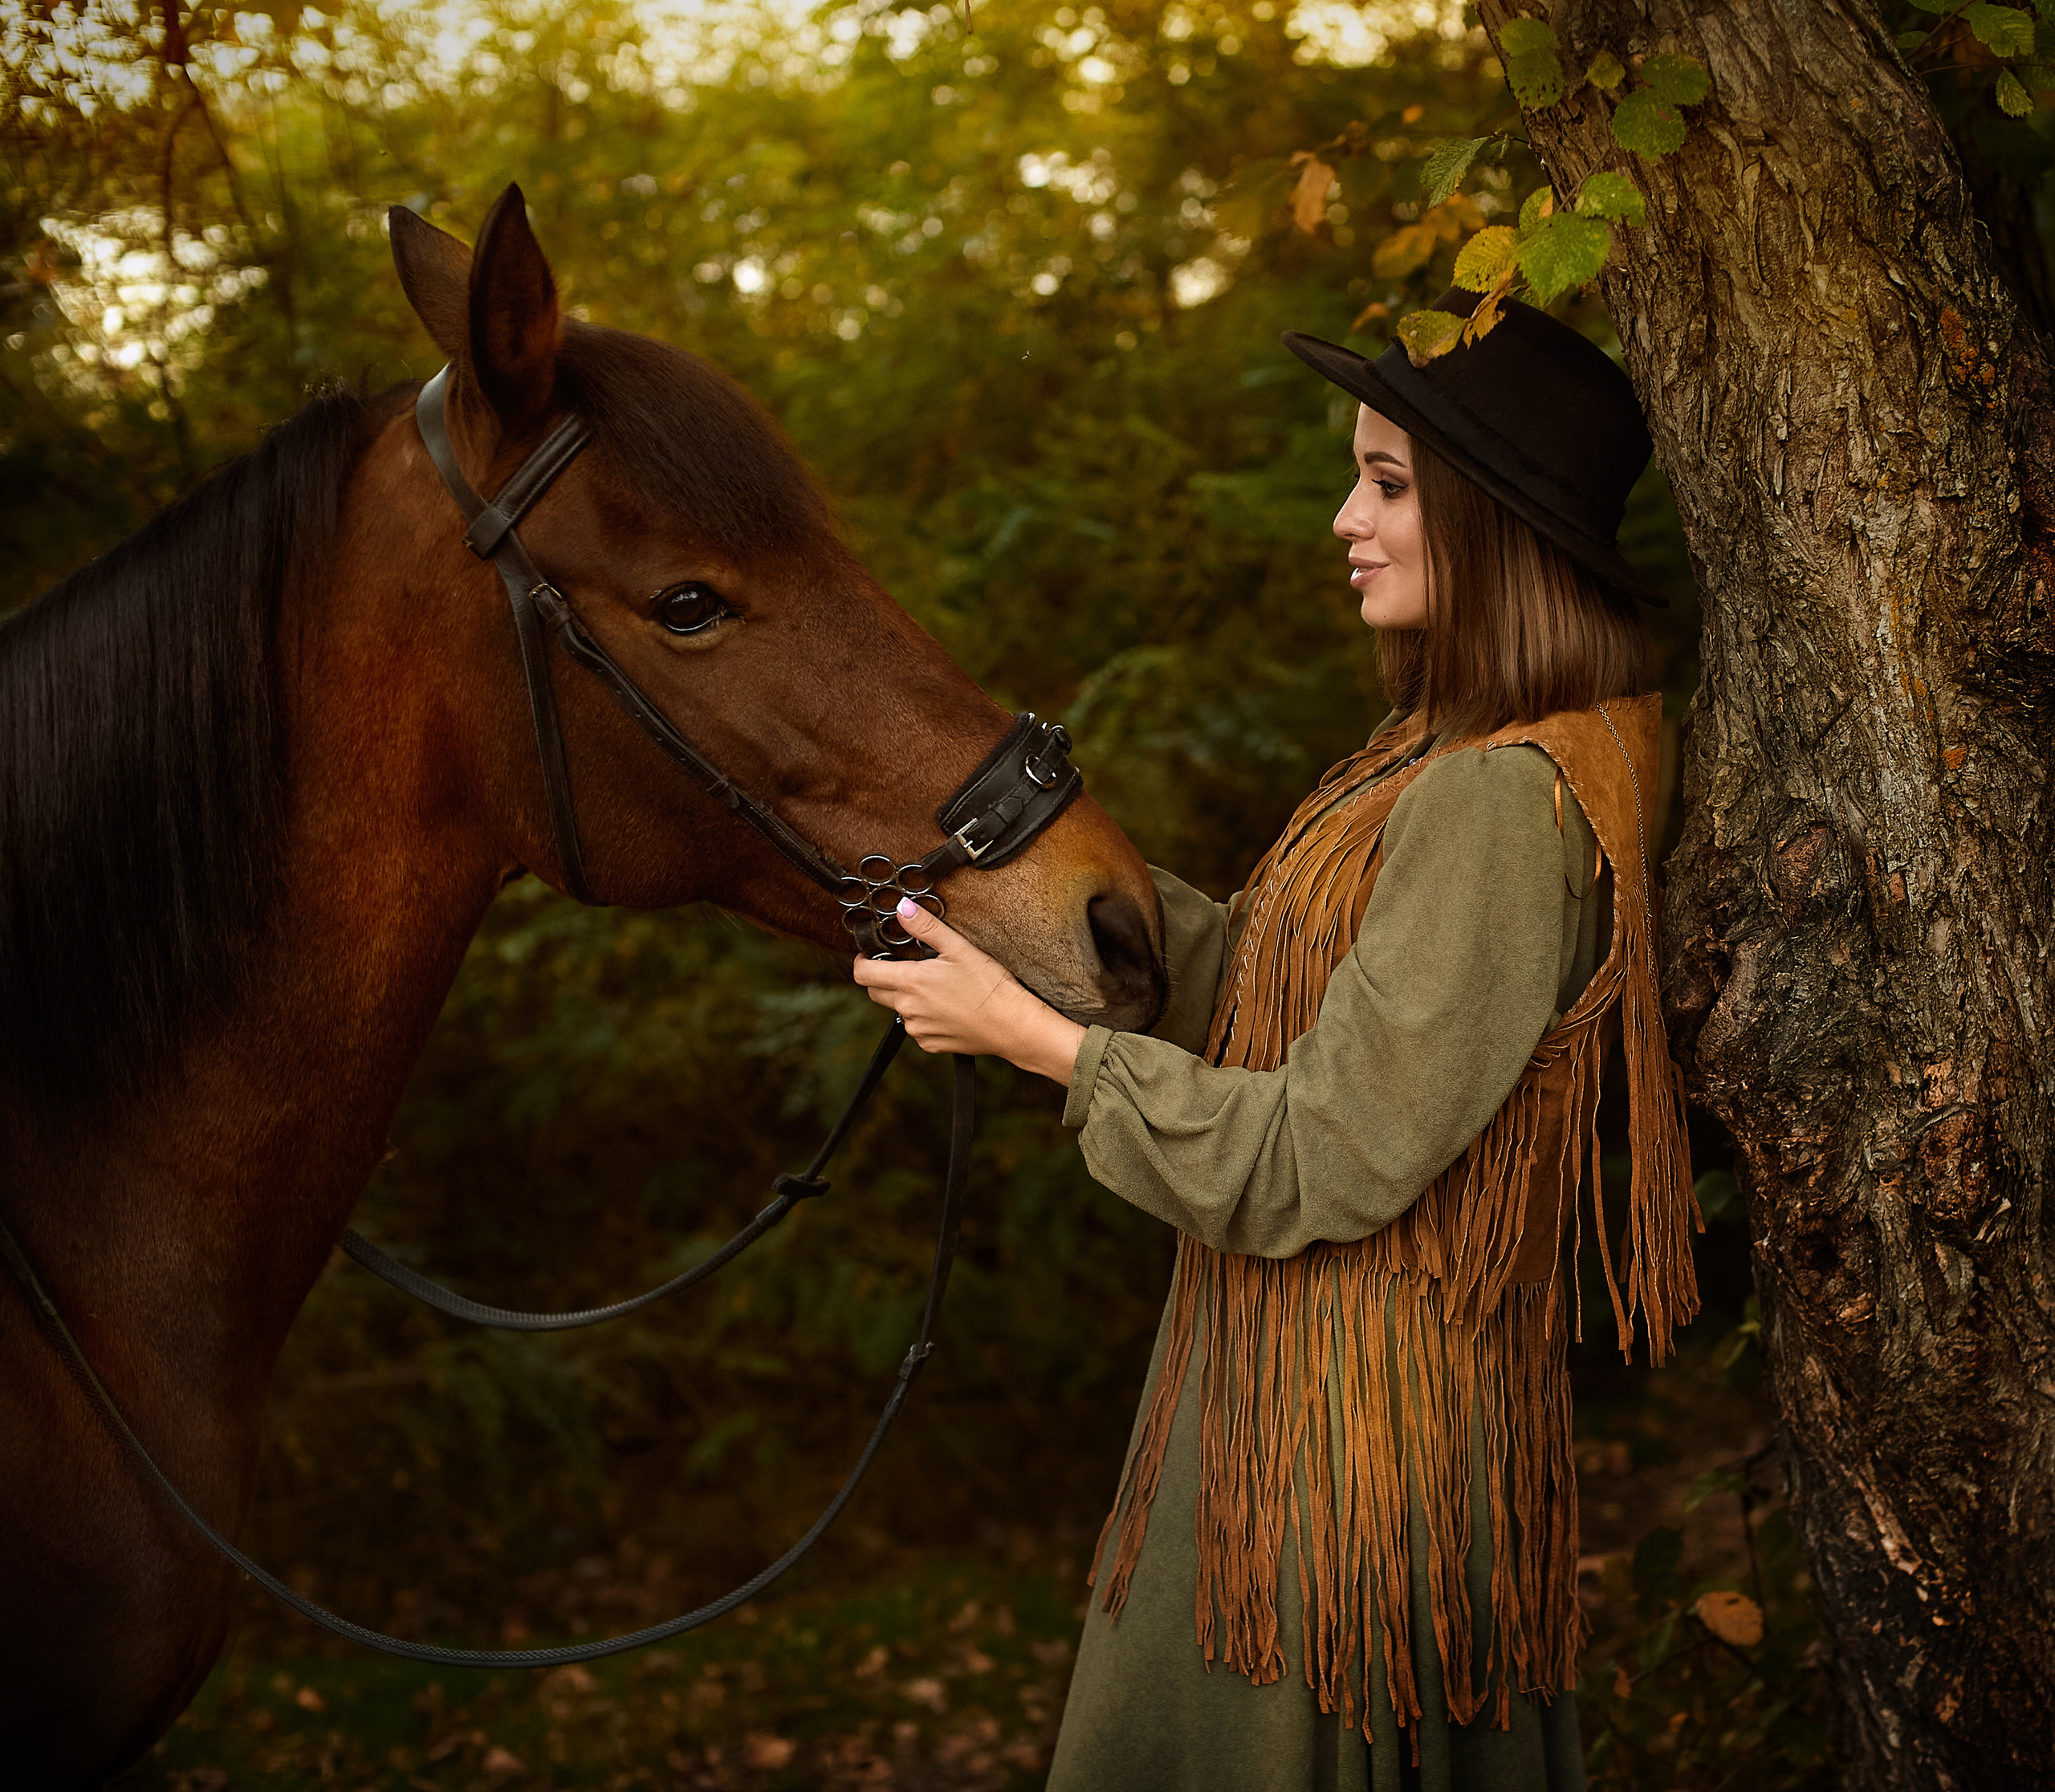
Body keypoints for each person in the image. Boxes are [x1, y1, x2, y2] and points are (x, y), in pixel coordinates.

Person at [853, 288, 1698, 1792]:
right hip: (1318, 1402)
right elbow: (1284, 977)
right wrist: (1037, 894)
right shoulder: (1462, 746)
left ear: (1494, 520)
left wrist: (1036, 1039)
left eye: (1384, 485)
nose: (1342, 520)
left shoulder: (1502, 796)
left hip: (1344, 1448)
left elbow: (1327, 1153)